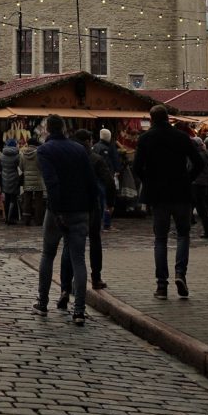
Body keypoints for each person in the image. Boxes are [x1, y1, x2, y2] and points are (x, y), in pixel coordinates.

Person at [133, 105, 205, 299]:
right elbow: (200, 163)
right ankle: (180, 273)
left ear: (152, 119)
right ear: (168, 118)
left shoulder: (146, 139)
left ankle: (161, 286)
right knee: (183, 235)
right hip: (181, 192)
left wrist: (149, 181)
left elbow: (137, 167)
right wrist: (187, 178)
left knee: (161, 239)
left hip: (158, 195)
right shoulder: (181, 137)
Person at [33, 114, 98, 326]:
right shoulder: (79, 149)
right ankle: (79, 310)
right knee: (78, 259)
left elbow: (51, 182)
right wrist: (92, 209)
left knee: (48, 254)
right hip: (80, 209)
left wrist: (57, 209)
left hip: (57, 210)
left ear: (47, 129)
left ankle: (42, 303)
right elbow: (90, 181)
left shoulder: (44, 150)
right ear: (64, 128)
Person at [58, 129, 116, 306]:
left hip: (72, 207)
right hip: (93, 206)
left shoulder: (68, 158)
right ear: (89, 141)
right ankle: (96, 277)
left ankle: (65, 288)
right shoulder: (96, 159)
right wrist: (111, 203)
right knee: (95, 240)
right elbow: (109, 181)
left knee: (69, 246)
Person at [191, 136, 208, 238]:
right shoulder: (205, 154)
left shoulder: (200, 155)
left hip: (197, 183)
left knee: (202, 209)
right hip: (202, 183)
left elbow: (193, 169)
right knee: (202, 208)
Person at [19, 134, 46, 226]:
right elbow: (42, 166)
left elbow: (21, 167)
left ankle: (26, 220)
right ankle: (38, 220)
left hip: (27, 179)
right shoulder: (39, 153)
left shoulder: (22, 154)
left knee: (27, 200)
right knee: (39, 200)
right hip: (38, 179)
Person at [0, 137, 21, 225]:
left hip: (4, 178)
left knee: (6, 198)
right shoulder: (17, 155)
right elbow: (21, 166)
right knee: (13, 198)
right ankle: (11, 218)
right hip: (14, 178)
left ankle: (6, 217)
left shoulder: (1, 156)